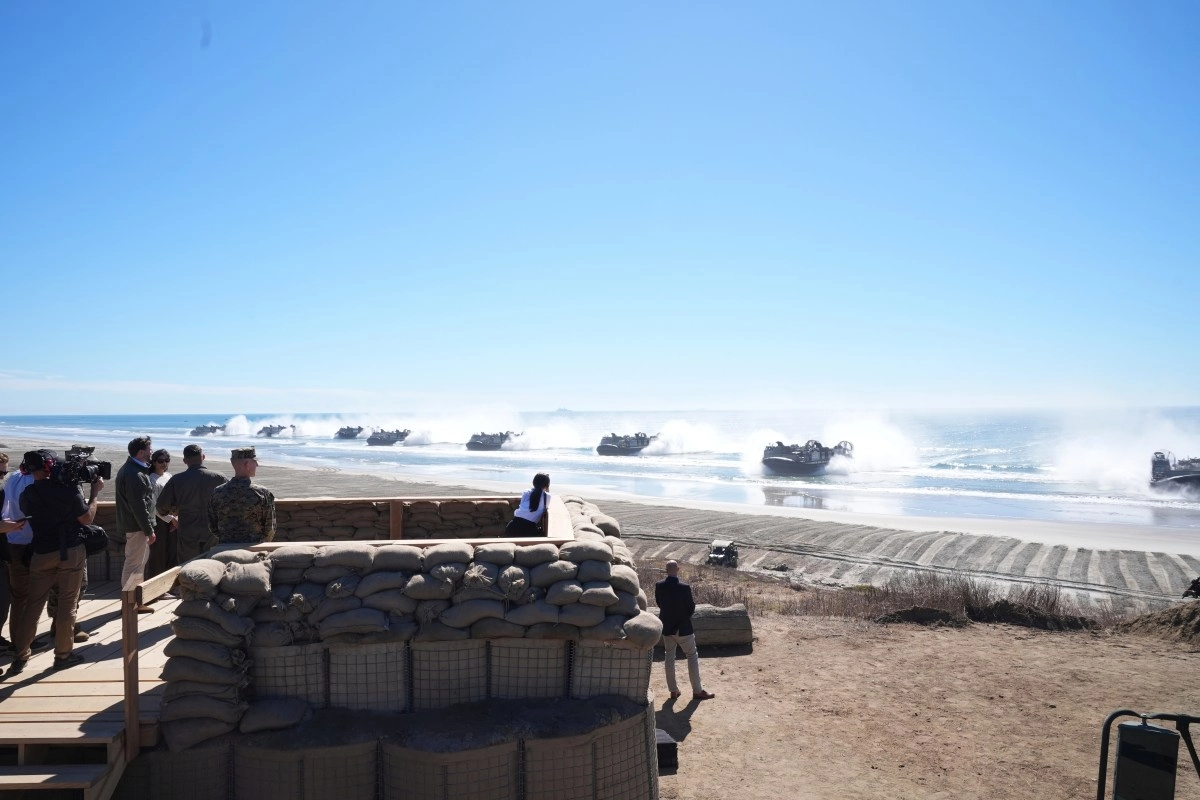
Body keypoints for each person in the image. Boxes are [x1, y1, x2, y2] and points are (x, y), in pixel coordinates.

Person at [5, 450, 104, 677]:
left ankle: (20, 655)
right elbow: (87, 519)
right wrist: (94, 494)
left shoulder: (29, 493)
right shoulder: (67, 491)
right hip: (69, 552)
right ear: (50, 466)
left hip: (40, 552)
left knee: (33, 605)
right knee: (67, 604)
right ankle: (63, 655)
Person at [655, 560, 715, 702]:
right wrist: (682, 618)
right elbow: (690, 608)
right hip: (683, 628)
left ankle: (673, 690)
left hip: (667, 627)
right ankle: (697, 691)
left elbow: (659, 604)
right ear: (678, 569)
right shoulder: (684, 587)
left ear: (666, 570)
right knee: (692, 656)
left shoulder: (659, 586)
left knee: (669, 657)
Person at [156, 444, 227, 563]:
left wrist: (175, 511)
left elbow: (161, 507)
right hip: (213, 530)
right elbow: (230, 503)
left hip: (187, 529)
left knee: (187, 566)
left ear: (184, 461)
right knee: (212, 565)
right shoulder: (219, 478)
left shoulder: (177, 480)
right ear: (203, 457)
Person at [114, 436, 156, 604]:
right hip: (137, 527)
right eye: (149, 449)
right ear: (141, 452)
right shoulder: (134, 474)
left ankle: (136, 602)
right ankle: (129, 603)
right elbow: (138, 506)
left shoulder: (134, 470)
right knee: (133, 564)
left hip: (137, 526)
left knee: (138, 564)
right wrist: (149, 530)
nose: (151, 451)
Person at [2, 456, 37, 651]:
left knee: (19, 596)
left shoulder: (13, 477)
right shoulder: (34, 482)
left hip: (13, 542)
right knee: (27, 597)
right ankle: (22, 642)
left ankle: (19, 639)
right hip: (29, 543)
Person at [207, 447, 275, 545]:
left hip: (225, 547)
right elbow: (269, 529)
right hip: (254, 549)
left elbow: (212, 526)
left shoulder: (217, 492)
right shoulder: (262, 493)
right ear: (247, 464)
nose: (257, 465)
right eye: (254, 461)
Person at [145, 449, 178, 577]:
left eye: (166, 460)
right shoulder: (151, 479)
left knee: (172, 553)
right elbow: (154, 505)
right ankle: (155, 586)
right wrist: (171, 519)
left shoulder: (168, 476)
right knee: (158, 555)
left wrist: (175, 518)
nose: (164, 463)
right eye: (160, 461)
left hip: (172, 519)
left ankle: (170, 583)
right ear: (153, 462)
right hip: (158, 521)